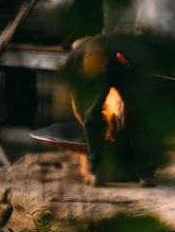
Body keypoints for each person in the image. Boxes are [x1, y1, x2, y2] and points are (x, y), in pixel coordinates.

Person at [64, 33, 158, 186]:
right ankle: (97, 173)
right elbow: (76, 97)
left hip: (126, 70)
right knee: (91, 117)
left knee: (138, 117)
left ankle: (146, 175)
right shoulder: (75, 61)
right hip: (104, 72)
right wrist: (85, 122)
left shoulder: (125, 50)